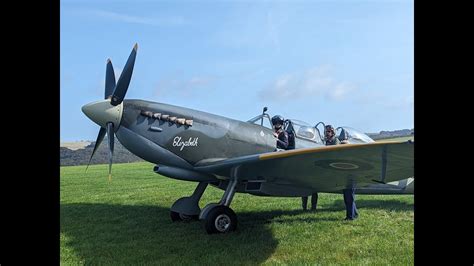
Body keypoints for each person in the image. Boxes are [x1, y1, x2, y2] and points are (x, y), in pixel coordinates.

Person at [324, 125, 358, 220]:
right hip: (344, 178)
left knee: (349, 198)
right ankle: (354, 214)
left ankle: (350, 217)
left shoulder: (349, 154)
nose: (327, 133)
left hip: (350, 178)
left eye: (329, 131)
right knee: (348, 198)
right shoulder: (329, 143)